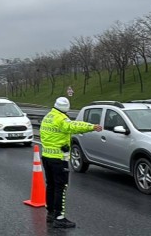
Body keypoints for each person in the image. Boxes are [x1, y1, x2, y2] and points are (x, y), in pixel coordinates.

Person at [40, 96, 102, 228]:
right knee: (60, 187)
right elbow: (73, 126)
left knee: (50, 185)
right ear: (66, 108)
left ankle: (50, 214)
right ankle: (59, 217)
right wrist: (92, 126)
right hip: (58, 159)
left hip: (46, 156)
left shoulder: (48, 117)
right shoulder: (61, 118)